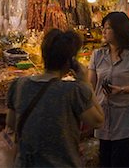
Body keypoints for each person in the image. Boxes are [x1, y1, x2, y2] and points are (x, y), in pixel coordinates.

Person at [6, 29, 104, 167]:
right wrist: (85, 82)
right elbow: (98, 121)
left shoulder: (18, 86)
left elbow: (11, 123)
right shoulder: (74, 91)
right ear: (70, 61)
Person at [88, 12, 129, 168]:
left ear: (119, 30)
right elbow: (90, 85)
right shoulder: (97, 55)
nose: (104, 32)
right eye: (103, 28)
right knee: (105, 161)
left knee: (120, 161)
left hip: (124, 120)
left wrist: (122, 89)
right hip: (102, 118)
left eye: (108, 28)